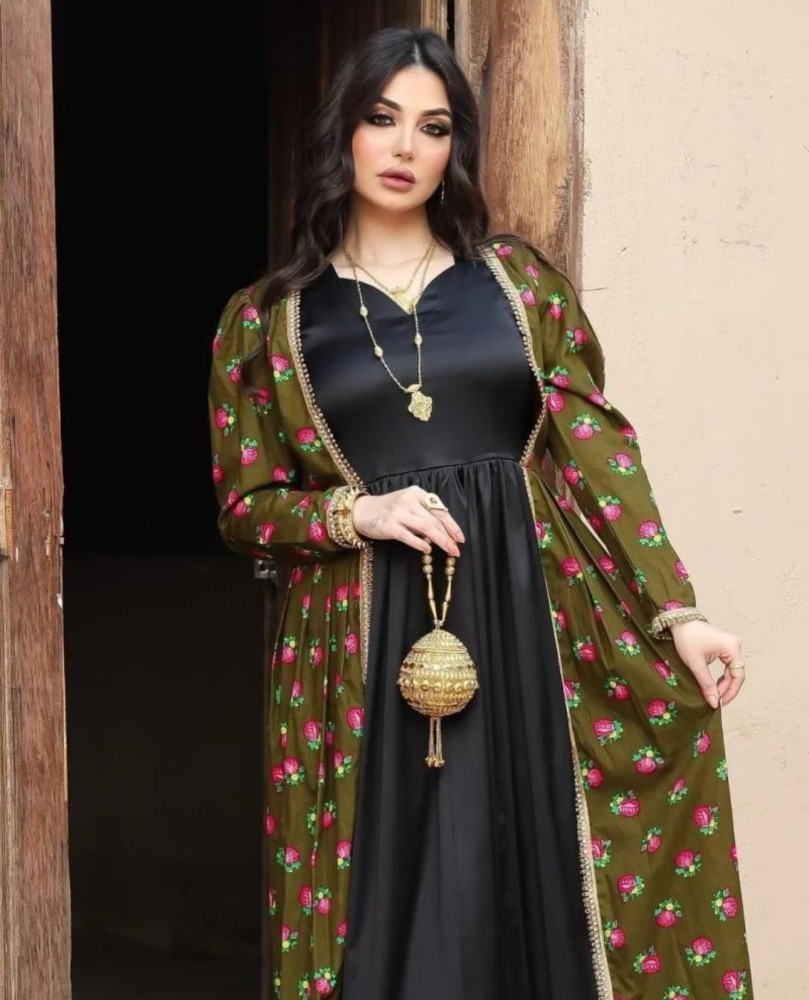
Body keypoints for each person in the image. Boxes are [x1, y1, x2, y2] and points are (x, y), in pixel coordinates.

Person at [208, 26, 754, 1000]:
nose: (404, 147)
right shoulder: (268, 321)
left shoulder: (515, 284)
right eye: (381, 120)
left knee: (531, 878)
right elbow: (245, 508)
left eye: (433, 127)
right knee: (390, 913)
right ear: (343, 134)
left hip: (524, 621)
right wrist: (355, 514)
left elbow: (596, 456)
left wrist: (675, 611)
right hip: (363, 647)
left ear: (455, 146)